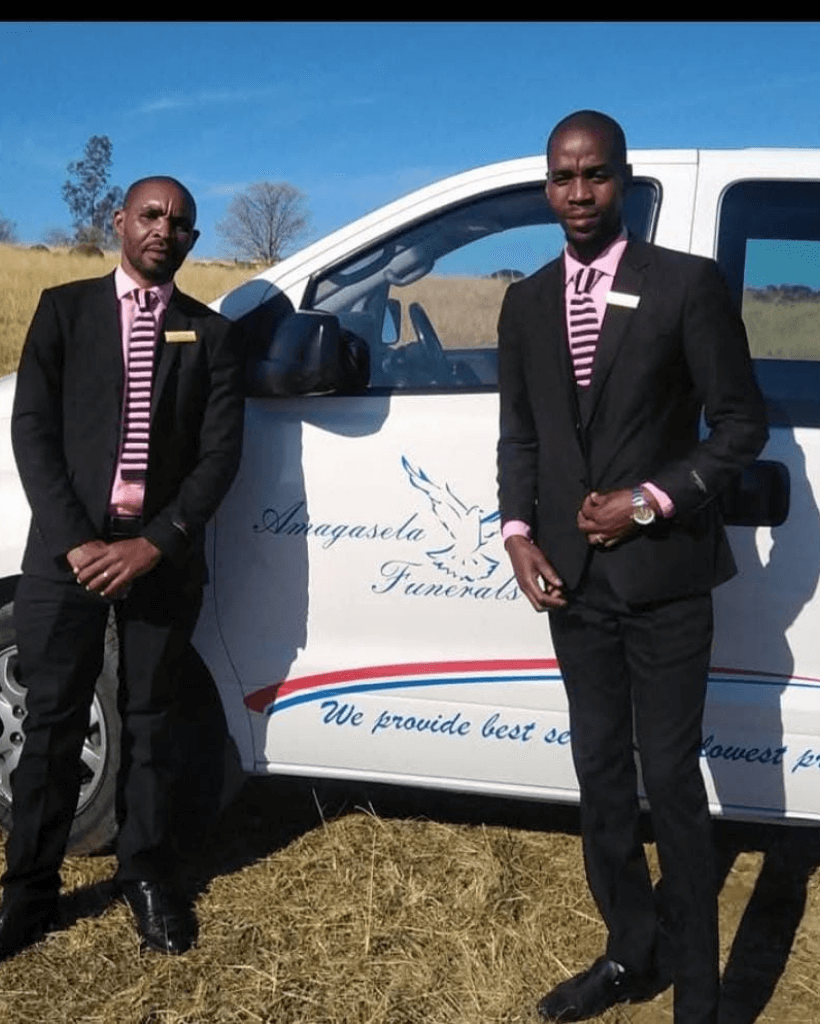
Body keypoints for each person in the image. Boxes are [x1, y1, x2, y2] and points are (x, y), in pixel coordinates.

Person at [497, 112, 768, 1024]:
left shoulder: (685, 284)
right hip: (571, 586)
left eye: (596, 175)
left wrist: (649, 500)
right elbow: (522, 435)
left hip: (665, 584)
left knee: (674, 784)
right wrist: (519, 532)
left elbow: (741, 426)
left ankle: (698, 994)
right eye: (563, 177)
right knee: (601, 776)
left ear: (625, 180)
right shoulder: (526, 302)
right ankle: (627, 952)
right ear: (547, 185)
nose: (579, 193)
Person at [2, 176, 244, 959]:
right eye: (150, 215)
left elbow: (218, 457)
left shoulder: (210, 334)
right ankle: (29, 890)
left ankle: (146, 875)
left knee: (150, 723)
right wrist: (77, 542)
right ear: (119, 221)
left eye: (181, 223)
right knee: (52, 723)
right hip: (65, 555)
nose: (164, 230)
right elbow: (32, 431)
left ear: (192, 240)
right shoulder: (64, 312)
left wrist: (156, 543)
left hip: (159, 557)